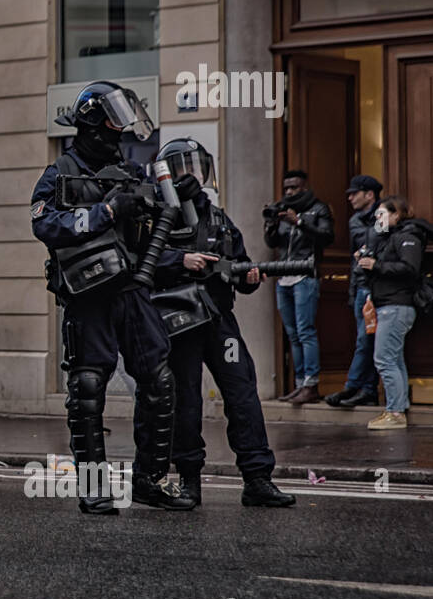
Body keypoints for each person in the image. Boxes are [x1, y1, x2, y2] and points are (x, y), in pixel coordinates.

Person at [31, 81, 194, 515]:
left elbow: (150, 243)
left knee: (159, 381)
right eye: (110, 119)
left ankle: (150, 480)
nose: (118, 130)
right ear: (89, 121)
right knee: (88, 387)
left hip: (132, 290)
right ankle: (93, 486)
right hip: (89, 295)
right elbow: (45, 225)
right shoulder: (60, 172)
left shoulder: (133, 173)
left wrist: (178, 209)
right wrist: (104, 212)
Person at [148, 139, 295, 507]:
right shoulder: (156, 216)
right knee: (186, 402)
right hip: (179, 322)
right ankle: (188, 479)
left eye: (197, 166)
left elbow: (239, 264)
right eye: (184, 167)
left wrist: (247, 278)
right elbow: (142, 263)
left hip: (218, 318)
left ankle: (257, 478)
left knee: (243, 393)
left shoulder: (218, 218)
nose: (193, 175)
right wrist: (180, 262)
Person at [358, 196, 431, 430]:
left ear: (396, 215)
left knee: (384, 359)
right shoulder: (390, 238)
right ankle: (397, 407)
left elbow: (409, 268)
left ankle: (395, 412)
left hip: (396, 305)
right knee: (394, 358)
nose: (377, 219)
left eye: (382, 214)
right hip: (389, 304)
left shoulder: (407, 236)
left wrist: (376, 265)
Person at [263, 169, 335, 404]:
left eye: (294, 187)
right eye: (286, 188)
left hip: (306, 275)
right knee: (293, 335)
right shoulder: (281, 209)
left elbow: (327, 236)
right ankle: (299, 384)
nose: (289, 192)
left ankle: (311, 385)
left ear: (305, 187)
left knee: (305, 331)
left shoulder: (319, 208)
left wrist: (300, 221)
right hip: (283, 276)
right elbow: (272, 243)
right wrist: (272, 225)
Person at [327, 175, 383, 408]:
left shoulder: (384, 216)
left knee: (366, 340)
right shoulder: (354, 221)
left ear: (369, 194)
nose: (349, 197)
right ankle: (367, 390)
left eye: (354, 193)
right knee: (365, 340)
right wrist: (352, 291)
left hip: (380, 287)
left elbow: (383, 248)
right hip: (361, 287)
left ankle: (353, 386)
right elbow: (354, 259)